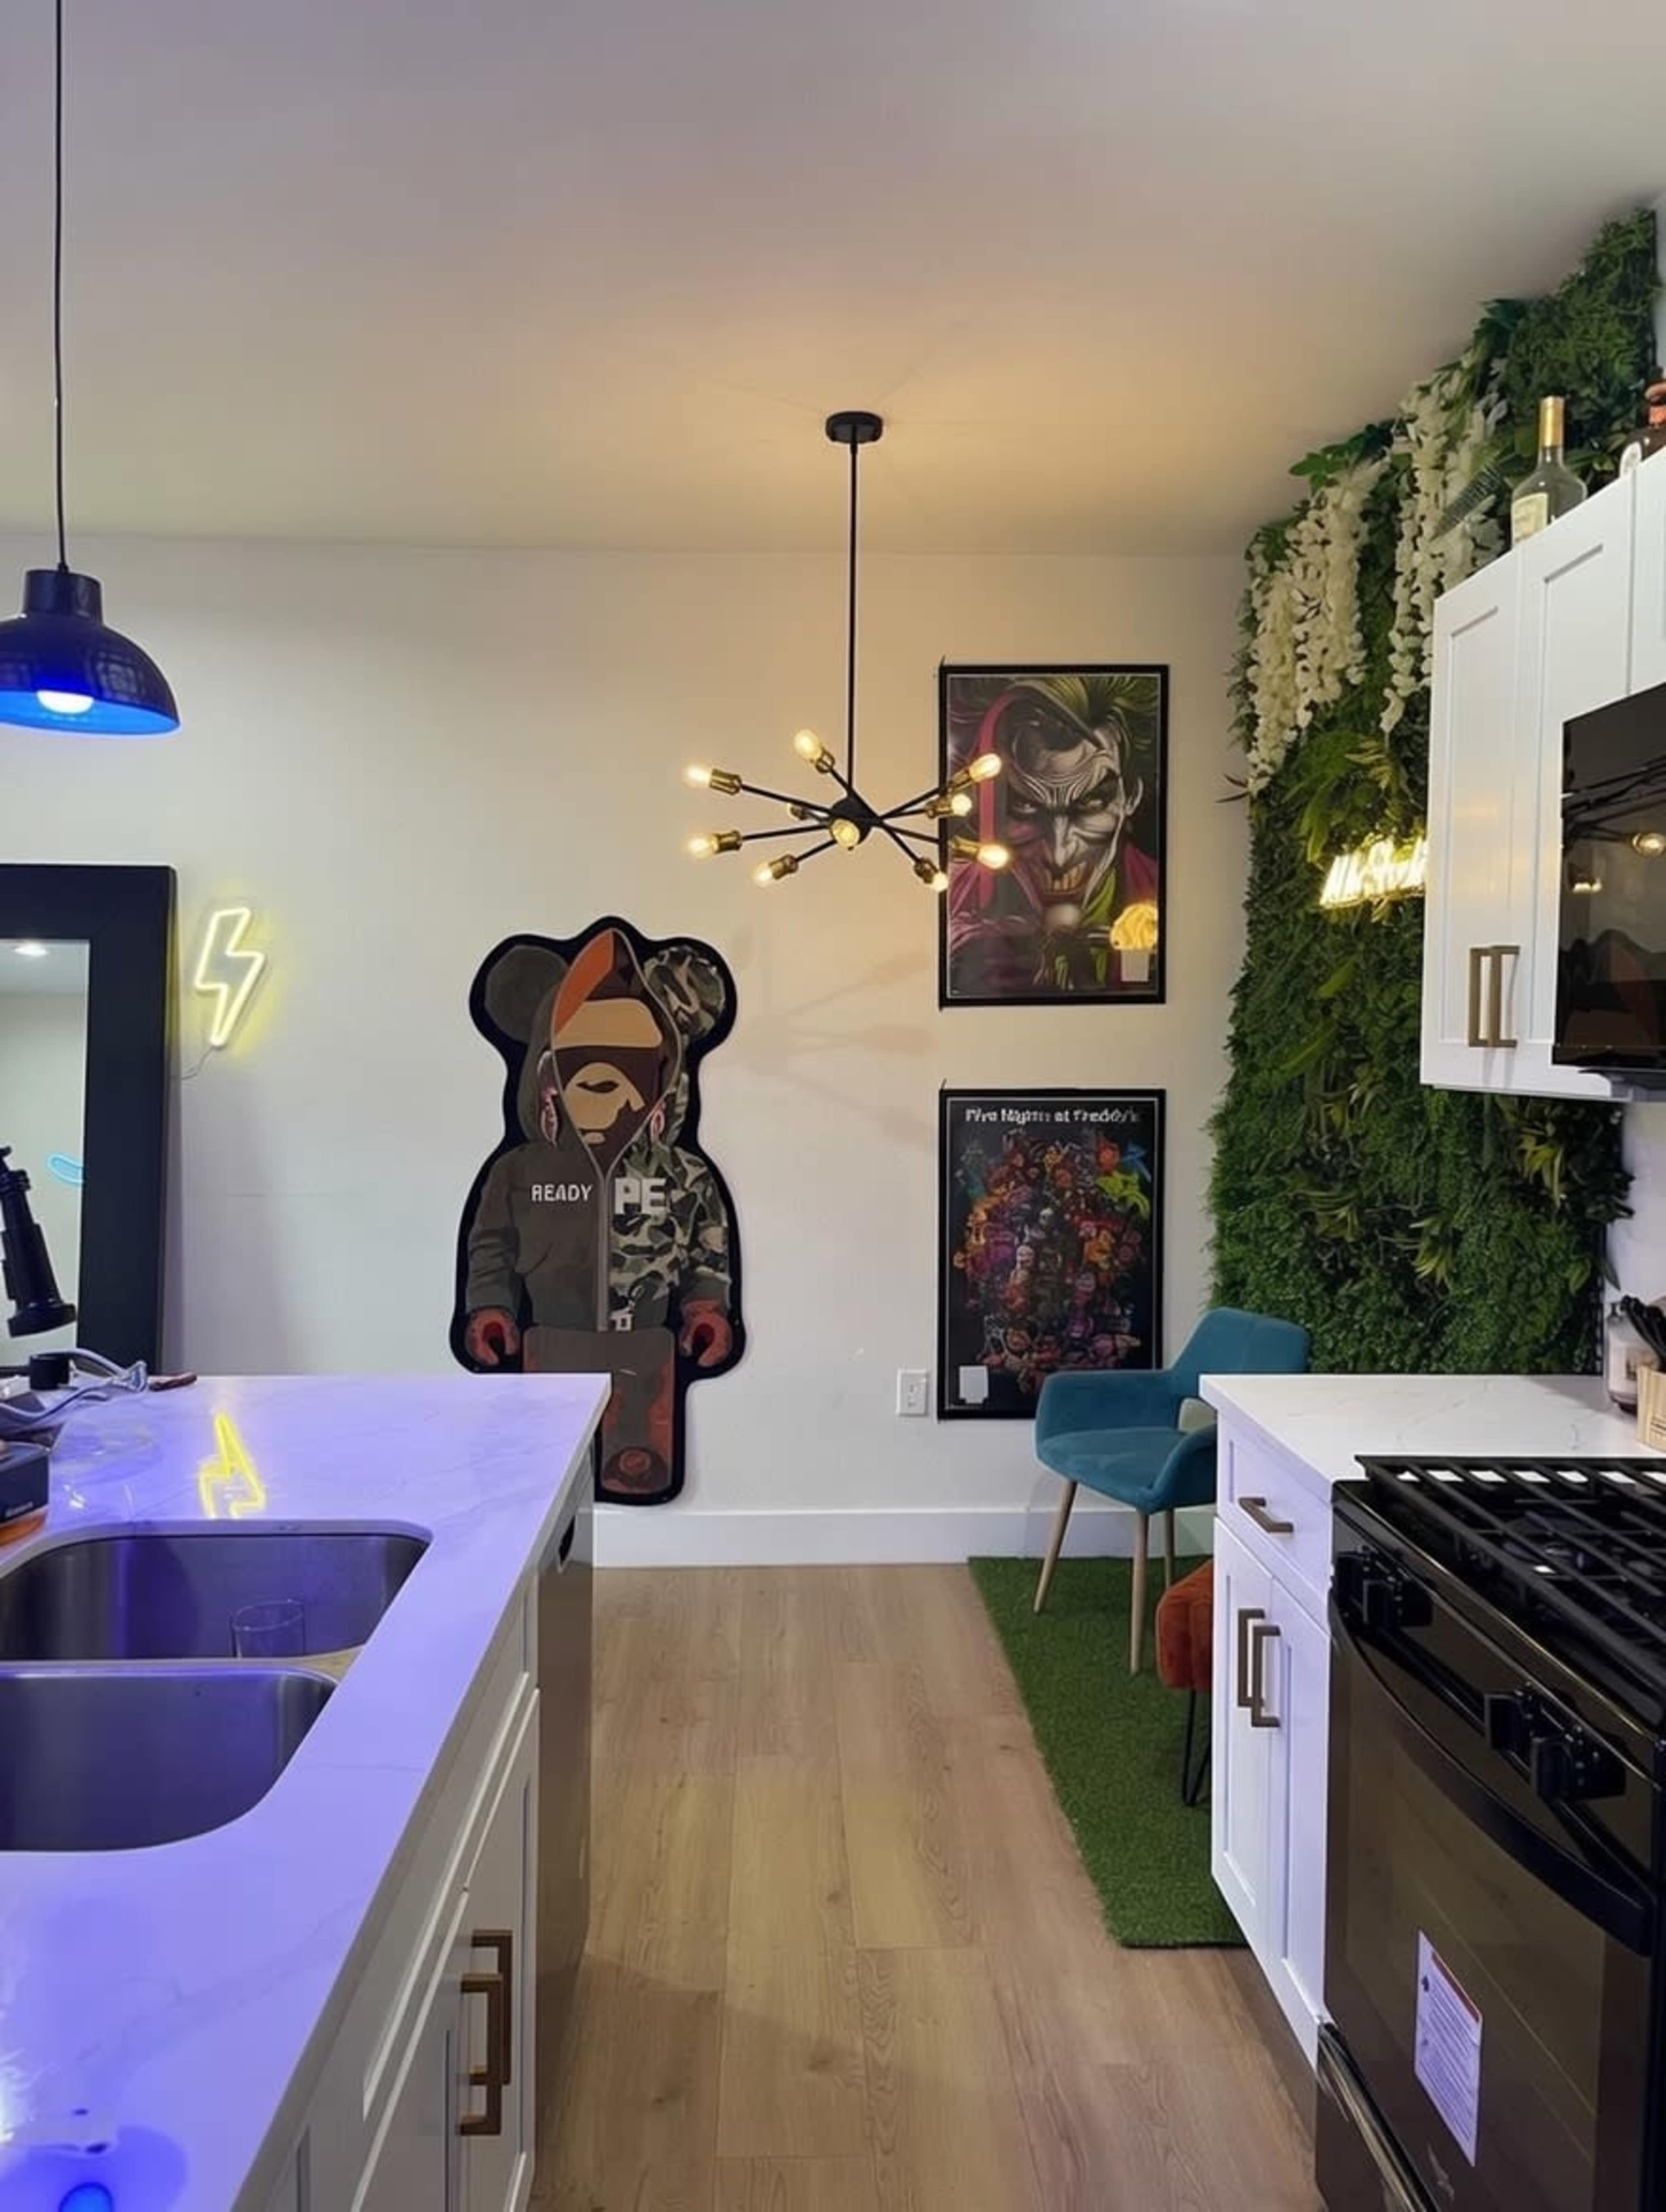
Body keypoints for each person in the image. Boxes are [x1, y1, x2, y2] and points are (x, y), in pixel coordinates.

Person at [456, 925, 739, 1502]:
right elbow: (492, 1246)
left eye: (631, 1062)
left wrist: (706, 1308)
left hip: (646, 1353)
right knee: (546, 1489)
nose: (602, 1079)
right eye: (580, 1059)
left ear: (661, 1080)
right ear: (548, 1073)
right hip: (553, 1348)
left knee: (637, 1465)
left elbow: (708, 1249)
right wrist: (490, 1307)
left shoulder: (683, 1174)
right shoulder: (519, 1171)